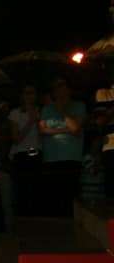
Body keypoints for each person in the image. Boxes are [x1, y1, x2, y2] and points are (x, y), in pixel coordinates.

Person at [39, 77, 86, 217]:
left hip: (71, 157)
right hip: (51, 158)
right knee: (54, 197)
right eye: (56, 87)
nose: (58, 90)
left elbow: (75, 128)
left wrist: (61, 110)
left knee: (71, 196)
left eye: (61, 86)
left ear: (69, 89)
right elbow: (43, 130)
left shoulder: (79, 106)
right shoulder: (47, 108)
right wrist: (65, 130)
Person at [9, 85, 42, 217]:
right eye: (26, 93)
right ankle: (22, 218)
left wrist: (37, 120)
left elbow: (42, 134)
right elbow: (16, 138)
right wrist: (30, 121)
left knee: (35, 188)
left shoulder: (40, 111)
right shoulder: (15, 113)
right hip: (21, 153)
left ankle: (34, 217)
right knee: (22, 188)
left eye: (32, 93)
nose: (29, 96)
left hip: (36, 152)